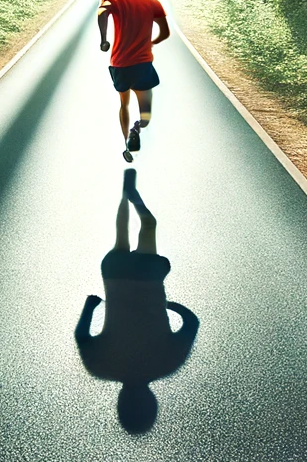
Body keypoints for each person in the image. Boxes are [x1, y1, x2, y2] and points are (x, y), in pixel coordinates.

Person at [75, 169, 199, 434]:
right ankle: (124, 196)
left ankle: (132, 197)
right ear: (121, 404)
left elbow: (191, 323)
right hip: (116, 277)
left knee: (149, 225)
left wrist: (168, 306)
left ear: (151, 404)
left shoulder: (168, 364)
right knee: (121, 235)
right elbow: (81, 336)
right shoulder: (100, 368)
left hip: (147, 279)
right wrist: (91, 305)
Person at [97, 0, 169, 162]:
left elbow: (102, 12)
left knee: (124, 104)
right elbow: (165, 32)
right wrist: (151, 42)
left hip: (120, 63)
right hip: (143, 64)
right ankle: (137, 127)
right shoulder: (152, 1)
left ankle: (126, 143)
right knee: (146, 114)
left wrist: (103, 39)